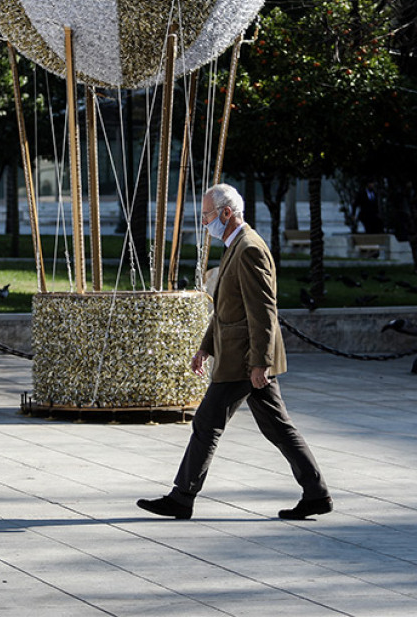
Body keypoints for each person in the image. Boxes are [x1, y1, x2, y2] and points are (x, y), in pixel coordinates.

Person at [137, 184, 332, 521]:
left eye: (207, 215)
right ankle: (316, 493)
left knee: (207, 422)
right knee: (277, 426)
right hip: (241, 356)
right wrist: (205, 347)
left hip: (244, 359)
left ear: (226, 213)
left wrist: (260, 363)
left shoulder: (249, 249)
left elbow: (263, 312)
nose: (204, 223)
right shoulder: (235, 246)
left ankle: (182, 497)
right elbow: (225, 307)